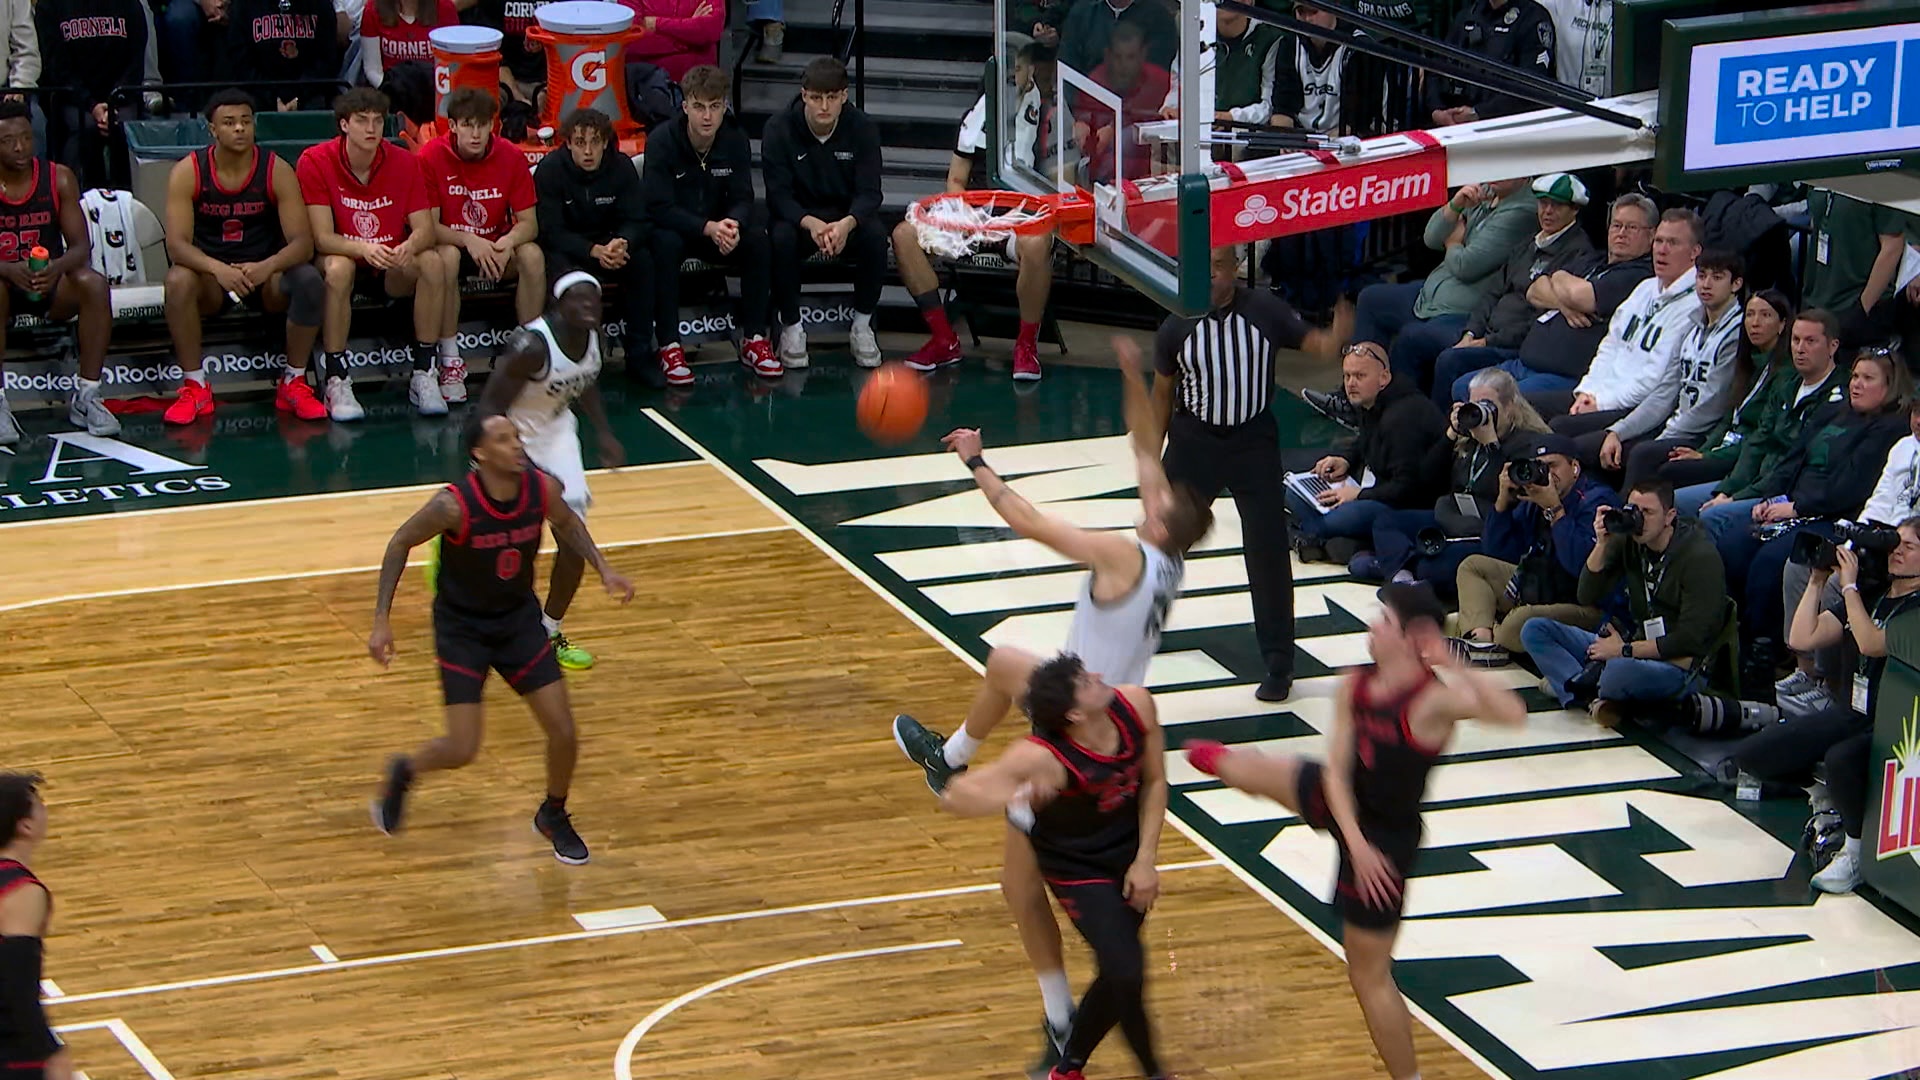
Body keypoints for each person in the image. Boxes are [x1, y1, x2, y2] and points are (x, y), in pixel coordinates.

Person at [892, 338, 1210, 1074]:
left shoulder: (1122, 553)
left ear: (1160, 520)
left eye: (1154, 501)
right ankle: (953, 757)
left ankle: (1063, 1020)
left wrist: (975, 460)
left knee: (1020, 879)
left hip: (1076, 727)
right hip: (1107, 714)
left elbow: (1028, 521)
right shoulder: (1169, 557)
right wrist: (1133, 375)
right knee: (1005, 661)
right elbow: (1145, 446)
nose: (1147, 493)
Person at [1185, 582, 1528, 1080]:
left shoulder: (1432, 701)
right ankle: (1219, 760)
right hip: (1345, 807)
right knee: (1251, 770)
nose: (1372, 626)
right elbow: (1336, 772)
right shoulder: (1356, 683)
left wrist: (1453, 661)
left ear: (1415, 638)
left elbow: (1512, 714)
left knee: (1368, 976)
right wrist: (1353, 842)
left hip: (1389, 841)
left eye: (1384, 621)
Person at [368, 411, 634, 863]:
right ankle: (405, 771)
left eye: (516, 436)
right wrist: (381, 620)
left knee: (564, 730)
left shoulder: (540, 488)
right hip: (463, 630)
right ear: (479, 453)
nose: (516, 445)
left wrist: (605, 569)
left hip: (516, 624)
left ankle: (553, 812)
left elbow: (568, 524)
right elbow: (399, 543)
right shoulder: (453, 504)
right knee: (462, 748)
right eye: (504, 439)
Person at [938, 656, 1171, 1080]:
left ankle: (1067, 1070)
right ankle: (1153, 1072)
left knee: (1120, 972)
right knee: (1125, 968)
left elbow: (1155, 782)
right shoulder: (1039, 758)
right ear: (1075, 714)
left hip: (1126, 855)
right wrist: (1014, 797)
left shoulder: (1137, 705)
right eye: (1086, 681)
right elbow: (955, 795)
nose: (1100, 675)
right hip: (1076, 866)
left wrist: (1146, 860)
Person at [1151, 245, 1353, 701]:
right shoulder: (1176, 322)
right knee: (1162, 539)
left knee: (1268, 552)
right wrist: (1151, 457)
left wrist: (1337, 332)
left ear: (1236, 268)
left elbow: (1315, 345)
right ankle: (1140, 624)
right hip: (1194, 439)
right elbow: (1162, 395)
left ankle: (1279, 663)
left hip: (1252, 440)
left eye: (1220, 266)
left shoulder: (1264, 310)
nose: (1212, 276)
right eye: (1204, 267)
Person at [1735, 520, 1920, 893]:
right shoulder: (1875, 594)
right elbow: (1801, 638)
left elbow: (1871, 643)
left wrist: (1849, 586)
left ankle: (1854, 851)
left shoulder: (1915, 608)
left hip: (1895, 722)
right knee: (1754, 755)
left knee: (1842, 758)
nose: (1897, 551)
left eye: (1910, 547)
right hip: (1853, 711)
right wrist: (1818, 579)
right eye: (1895, 543)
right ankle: (1824, 797)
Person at [471, 272, 624, 672]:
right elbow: (487, 410)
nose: (591, 308)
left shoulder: (591, 336)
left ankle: (548, 631)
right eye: (580, 301)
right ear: (559, 306)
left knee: (572, 538)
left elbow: (584, 382)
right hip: (508, 437)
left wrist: (604, 432)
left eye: (596, 300)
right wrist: (509, 459)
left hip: (556, 433)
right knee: (508, 547)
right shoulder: (529, 346)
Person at [162, 89, 329, 426]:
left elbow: (302, 244)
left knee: (309, 279)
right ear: (212, 129)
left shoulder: (276, 169)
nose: (239, 129)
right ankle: (195, 387)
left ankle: (293, 381)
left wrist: (266, 266)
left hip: (265, 276)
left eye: (245, 121)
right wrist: (217, 269)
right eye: (229, 123)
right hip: (212, 279)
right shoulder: (189, 171)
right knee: (178, 280)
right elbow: (176, 245)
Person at [895, 42, 1061, 381]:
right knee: (904, 235)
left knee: (1036, 243)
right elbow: (956, 179)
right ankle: (944, 339)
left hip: (1023, 216)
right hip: (975, 216)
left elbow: (1060, 183)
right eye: (1004, 70)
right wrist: (969, 217)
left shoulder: (1050, 114)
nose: (1010, 77)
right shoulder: (977, 114)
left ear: (1030, 73)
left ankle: (1026, 346)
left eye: (1016, 69)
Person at [1521, 478, 1727, 724]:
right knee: (1534, 629)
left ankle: (1575, 684)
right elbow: (1586, 595)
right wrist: (1602, 543)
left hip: (1680, 666)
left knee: (1617, 670)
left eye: (1648, 512)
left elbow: (1690, 639)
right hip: (1634, 649)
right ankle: (1590, 696)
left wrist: (1623, 651)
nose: (1638, 519)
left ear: (1670, 516)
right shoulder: (1630, 541)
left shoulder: (1699, 557)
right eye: (1633, 510)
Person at [297, 87, 446, 421]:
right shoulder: (315, 161)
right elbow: (321, 237)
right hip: (345, 256)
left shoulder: (405, 162)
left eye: (378, 121)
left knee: (432, 261)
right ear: (344, 125)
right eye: (362, 121)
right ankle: (336, 377)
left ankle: (425, 372)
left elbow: (424, 229)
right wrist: (362, 248)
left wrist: (410, 245)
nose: (371, 129)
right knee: (338, 268)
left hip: (391, 264)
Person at [1447, 193, 1655, 406]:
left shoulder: (1638, 275)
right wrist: (1565, 301)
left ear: (1651, 236)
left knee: (1495, 402)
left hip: (1563, 375)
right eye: (1616, 225)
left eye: (1631, 228)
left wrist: (1559, 280)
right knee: (1462, 386)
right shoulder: (1594, 261)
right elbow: (1535, 289)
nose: (1621, 233)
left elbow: (1578, 295)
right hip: (1523, 363)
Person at [642, 66, 777, 380]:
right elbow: (658, 206)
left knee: (758, 240)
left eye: (715, 107)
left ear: (724, 107)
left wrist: (733, 223)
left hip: (719, 231)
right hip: (677, 230)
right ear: (685, 106)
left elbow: (744, 196)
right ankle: (669, 345)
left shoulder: (735, 140)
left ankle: (754, 339)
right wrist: (707, 227)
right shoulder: (662, 141)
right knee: (663, 244)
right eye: (699, 107)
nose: (707, 116)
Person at [1345, 178, 1537, 394]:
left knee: (1411, 337)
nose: (1493, 174)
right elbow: (1431, 237)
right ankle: (1357, 387)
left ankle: (1390, 403)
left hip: (1464, 311)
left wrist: (1454, 243)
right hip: (1432, 293)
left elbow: (1466, 266)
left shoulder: (1524, 212)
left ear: (1523, 173)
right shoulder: (1485, 192)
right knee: (1372, 299)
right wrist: (1455, 205)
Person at [1363, 366, 1551, 586]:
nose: (1481, 413)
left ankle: (1396, 563)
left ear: (1509, 407)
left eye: (1488, 406)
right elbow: (1426, 479)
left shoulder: (1526, 442)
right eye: (1475, 405)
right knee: (1386, 522)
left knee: (1433, 566)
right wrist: (1451, 434)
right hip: (1451, 517)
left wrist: (1492, 444)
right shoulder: (1468, 436)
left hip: (1487, 531)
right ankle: (1402, 577)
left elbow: (1508, 491)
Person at [0, 99, 115, 445]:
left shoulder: (58, 178)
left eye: (25, 137)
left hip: (50, 281)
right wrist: (8, 269)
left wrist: (56, 267)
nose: (20, 147)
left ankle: (88, 396)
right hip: (4, 284)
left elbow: (81, 247)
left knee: (93, 284)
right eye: (8, 141)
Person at [1427, 172, 1595, 409]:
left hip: (1513, 346)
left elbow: (1539, 319)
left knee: (1450, 360)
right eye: (1543, 203)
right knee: (1424, 341)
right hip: (1485, 333)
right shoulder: (1528, 244)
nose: (1547, 211)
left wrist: (1486, 342)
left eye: (1556, 206)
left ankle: (1448, 433)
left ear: (1574, 210)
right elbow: (1493, 292)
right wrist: (1471, 333)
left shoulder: (1577, 253)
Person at [420, 86, 544, 403]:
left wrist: (507, 241)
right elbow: (429, 227)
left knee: (531, 254)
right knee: (445, 256)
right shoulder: (431, 156)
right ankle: (449, 361)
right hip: (455, 244)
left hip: (496, 248)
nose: (475, 134)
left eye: (482, 125)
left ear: (493, 125)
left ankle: (527, 352)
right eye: (467, 125)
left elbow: (529, 224)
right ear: (453, 126)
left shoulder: (511, 156)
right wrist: (468, 239)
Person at [760, 56, 885, 369]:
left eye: (832, 97)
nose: (824, 106)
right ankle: (791, 327)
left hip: (846, 219)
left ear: (844, 96)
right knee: (780, 237)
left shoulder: (863, 128)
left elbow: (870, 193)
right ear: (804, 95)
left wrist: (846, 224)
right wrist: (811, 224)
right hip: (801, 219)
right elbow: (778, 196)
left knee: (875, 235)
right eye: (816, 97)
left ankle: (862, 325)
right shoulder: (778, 128)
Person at [1549, 209, 1703, 452]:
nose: (1661, 250)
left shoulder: (1694, 304)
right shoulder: (1645, 289)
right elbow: (1610, 346)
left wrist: (1601, 403)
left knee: (1558, 429)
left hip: (1632, 407)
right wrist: (1587, 392)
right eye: (1659, 241)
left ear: (1695, 252)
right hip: (1598, 395)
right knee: (1527, 405)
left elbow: (1654, 379)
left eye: (1673, 243)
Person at [1453, 432, 1615, 664]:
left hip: (1585, 605)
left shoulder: (1597, 502)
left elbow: (1582, 570)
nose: (1548, 475)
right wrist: (1503, 503)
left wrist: (1555, 511)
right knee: (1473, 566)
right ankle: (1482, 643)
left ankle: (1493, 639)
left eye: (1553, 466)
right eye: (1540, 467)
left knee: (1520, 622)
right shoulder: (1535, 497)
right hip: (1540, 587)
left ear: (1575, 468)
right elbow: (1497, 553)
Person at [1291, 340, 1448, 566]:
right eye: (1347, 376)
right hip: (1380, 492)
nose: (1351, 384)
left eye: (1359, 376)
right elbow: (1366, 438)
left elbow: (1408, 489)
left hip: (1405, 507)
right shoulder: (1371, 402)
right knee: (1293, 493)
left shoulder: (1403, 419)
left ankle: (1315, 536)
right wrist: (1346, 459)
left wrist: (1359, 495)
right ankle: (1324, 540)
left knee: (1325, 521)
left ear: (1383, 378)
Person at [1601, 249, 1749, 487]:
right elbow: (1665, 391)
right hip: (1674, 425)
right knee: (1602, 446)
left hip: (1704, 434)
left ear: (1736, 284)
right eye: (1701, 276)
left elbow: (1714, 404)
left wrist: (1664, 437)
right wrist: (1618, 431)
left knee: (1641, 454)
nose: (1706, 284)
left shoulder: (1737, 332)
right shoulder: (1691, 327)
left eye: (1717, 277)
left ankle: (1631, 519)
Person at [1684, 306, 1846, 520]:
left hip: (1783, 491)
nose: (1800, 348)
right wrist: (1728, 489)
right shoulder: (1786, 384)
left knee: (1713, 516)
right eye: (1795, 340)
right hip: (1754, 479)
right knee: (1679, 501)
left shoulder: (1839, 396)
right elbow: (1758, 441)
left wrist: (1736, 497)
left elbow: (1794, 460)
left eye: (1810, 341)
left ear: (1832, 346)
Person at [533, 108, 655, 385]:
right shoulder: (551, 170)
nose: (588, 151)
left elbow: (638, 219)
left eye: (595, 142)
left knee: (644, 262)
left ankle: (640, 355)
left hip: (614, 248)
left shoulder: (622, 167)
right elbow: (550, 231)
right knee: (567, 279)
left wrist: (623, 242)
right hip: (570, 251)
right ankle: (570, 361)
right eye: (580, 142)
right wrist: (592, 250)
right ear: (568, 143)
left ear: (605, 143)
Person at [1658, 289, 1794, 514]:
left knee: (1669, 473)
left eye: (1765, 315)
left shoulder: (1784, 373)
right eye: (1749, 315)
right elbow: (1727, 419)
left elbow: (1760, 435)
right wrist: (1702, 451)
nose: (1755, 323)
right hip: (1725, 446)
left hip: (1743, 455)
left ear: (1782, 324)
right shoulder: (1747, 363)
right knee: (1656, 457)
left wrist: (1707, 456)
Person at [0, 773, 73, 1080]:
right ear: (25, 825)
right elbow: (17, 984)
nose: (46, 809)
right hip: (12, 1056)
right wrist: (49, 1051)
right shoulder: (23, 892)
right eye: (40, 805)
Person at [34, 0, 146, 189]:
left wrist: (114, 102)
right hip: (74, 98)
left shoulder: (130, 4)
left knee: (125, 130)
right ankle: (80, 203)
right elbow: (56, 67)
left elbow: (136, 61)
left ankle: (129, 204)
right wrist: (91, 104)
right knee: (85, 128)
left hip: (121, 98)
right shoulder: (50, 6)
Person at [1424, 0, 1557, 124]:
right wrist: (1437, 110)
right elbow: (1437, 67)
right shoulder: (1469, 14)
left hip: (1507, 126)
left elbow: (1533, 86)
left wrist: (1479, 113)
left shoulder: (1533, 18)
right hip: (1456, 124)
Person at [1073, 24, 1171, 186]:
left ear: (1142, 54)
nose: (1124, 64)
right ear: (1108, 55)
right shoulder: (1094, 82)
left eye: (1130, 57)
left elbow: (1147, 112)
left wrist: (1113, 128)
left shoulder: (1160, 81)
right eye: (1118, 57)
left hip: (1150, 179)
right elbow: (1084, 115)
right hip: (1102, 180)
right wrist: (1081, 123)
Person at [227, 0, 339, 110]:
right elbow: (241, 63)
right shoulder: (243, 5)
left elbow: (326, 59)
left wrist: (299, 97)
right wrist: (272, 98)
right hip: (258, 95)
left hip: (312, 94)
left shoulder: (321, 5)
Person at [622, 0, 723, 82]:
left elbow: (711, 29)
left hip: (702, 88)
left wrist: (657, 24)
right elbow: (632, 40)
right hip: (648, 89)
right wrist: (689, 38)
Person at [359, 0, 454, 87]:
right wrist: (390, 91)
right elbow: (372, 70)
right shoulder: (372, 10)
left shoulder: (445, 8)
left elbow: (452, 66)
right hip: (390, 92)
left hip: (436, 91)